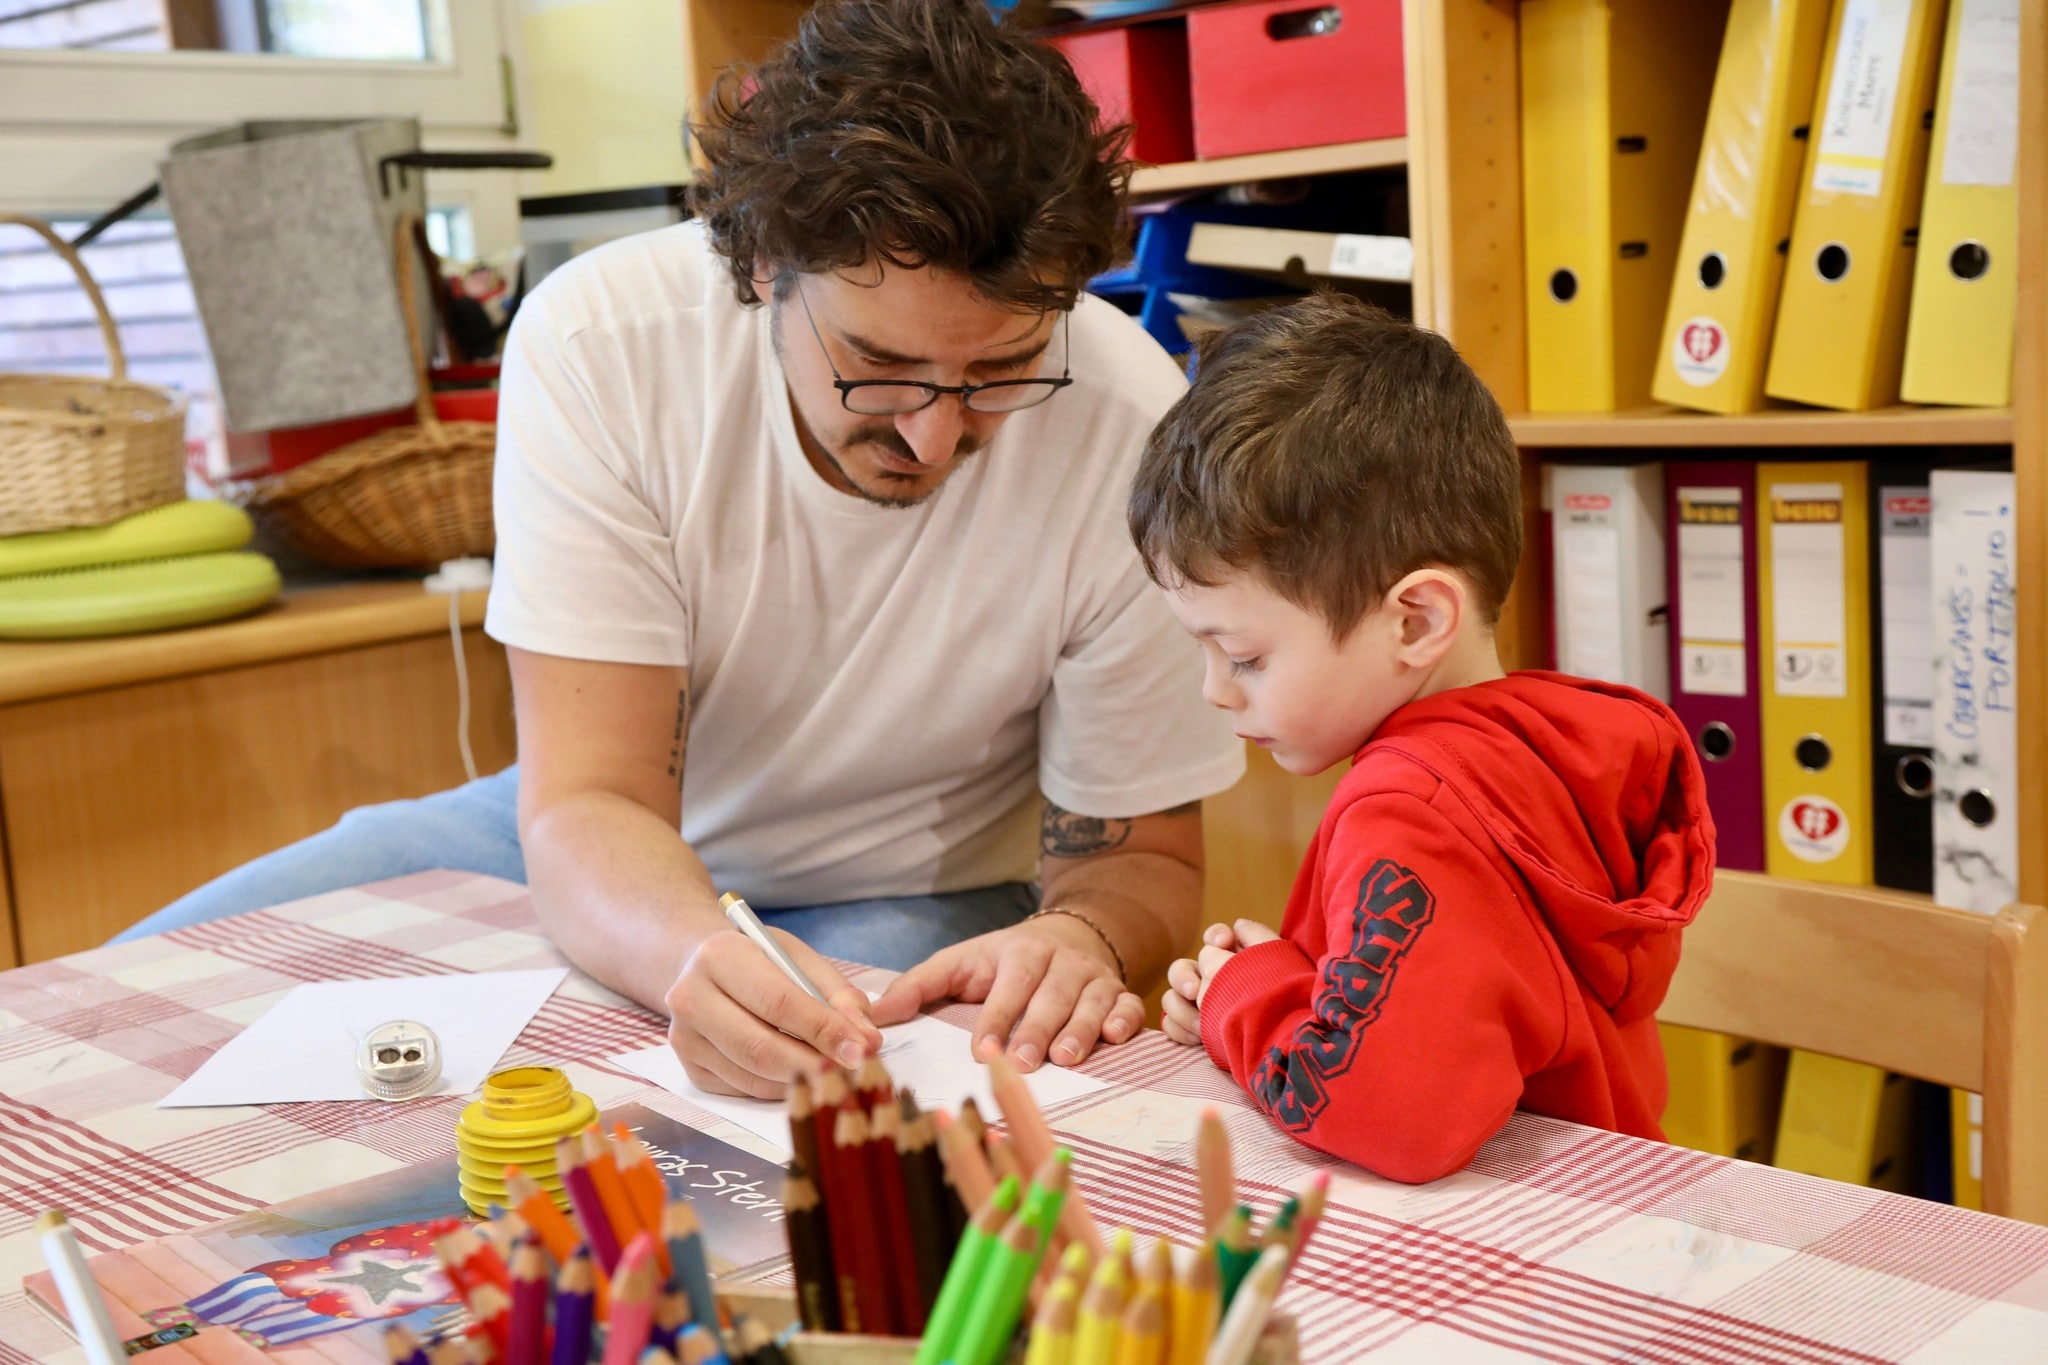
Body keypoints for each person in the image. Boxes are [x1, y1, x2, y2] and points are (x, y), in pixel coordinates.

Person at [118, 0, 1243, 1099]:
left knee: (812, 1107)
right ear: (760, 267)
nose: (933, 432)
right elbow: (588, 804)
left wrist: (1081, 935)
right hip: (607, 830)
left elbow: (1140, 857)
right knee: (146, 996)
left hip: (919, 884)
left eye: (1001, 371)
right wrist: (685, 952)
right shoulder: (601, 343)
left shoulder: (1131, 419)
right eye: (877, 363)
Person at [1130, 293, 1715, 1184]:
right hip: (1605, 1208)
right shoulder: (1538, 748)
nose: (1215, 691)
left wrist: (1243, 1001)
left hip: (1517, 1253)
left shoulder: (1413, 809)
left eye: (1244, 655)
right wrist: (1260, 990)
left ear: (1415, 620)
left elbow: (1383, 1114)